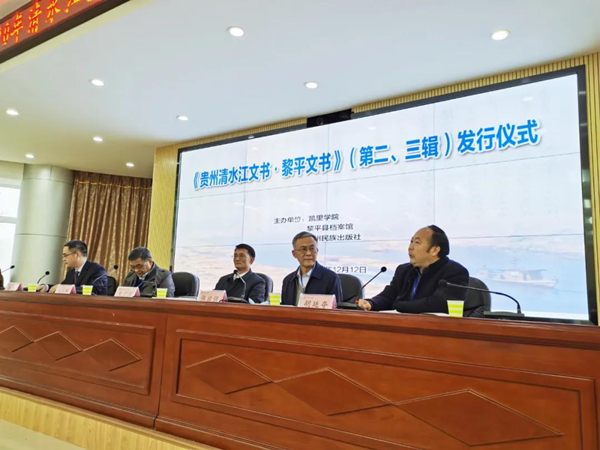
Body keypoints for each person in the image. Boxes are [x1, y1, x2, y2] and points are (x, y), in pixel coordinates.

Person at [358, 225, 468, 313]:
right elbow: (388, 296)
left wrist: (398, 305)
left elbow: (437, 304)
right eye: (411, 241)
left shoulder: (455, 272)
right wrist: (371, 303)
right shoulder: (403, 270)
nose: (410, 247)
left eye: (417, 242)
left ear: (434, 250)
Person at [281, 231, 343, 306]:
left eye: (312, 249)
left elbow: (337, 310)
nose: (308, 253)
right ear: (294, 254)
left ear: (317, 251)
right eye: (303, 249)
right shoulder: (288, 280)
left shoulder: (331, 278)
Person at [38, 240, 108, 295]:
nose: (63, 259)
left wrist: (68, 288)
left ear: (77, 254)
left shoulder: (97, 270)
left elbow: (94, 291)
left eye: (65, 255)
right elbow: (62, 286)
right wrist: (47, 287)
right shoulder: (71, 272)